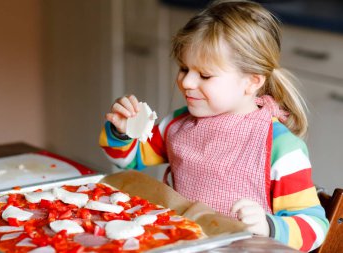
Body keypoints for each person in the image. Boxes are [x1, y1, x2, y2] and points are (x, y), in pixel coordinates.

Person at [99, 0, 329, 251]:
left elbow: (315, 227)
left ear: (251, 82)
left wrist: (268, 226)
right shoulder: (176, 125)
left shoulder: (281, 148)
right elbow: (128, 160)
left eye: (205, 75)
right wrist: (123, 132)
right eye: (184, 68)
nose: (186, 81)